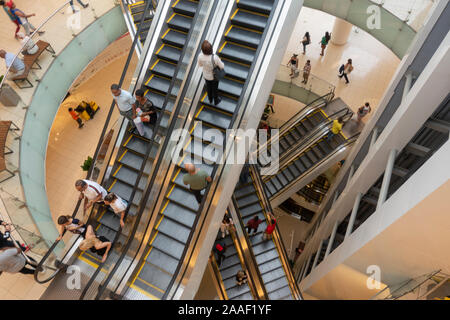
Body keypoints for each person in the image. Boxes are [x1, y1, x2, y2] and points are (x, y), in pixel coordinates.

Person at [198, 40, 224, 105]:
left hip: (206, 76)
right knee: (215, 88)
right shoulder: (214, 57)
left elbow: (200, 65)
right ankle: (216, 100)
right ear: (211, 49)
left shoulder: (200, 56)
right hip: (214, 76)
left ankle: (210, 99)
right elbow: (222, 66)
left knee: (208, 87)